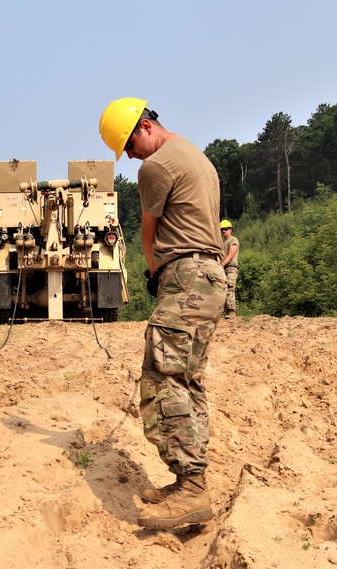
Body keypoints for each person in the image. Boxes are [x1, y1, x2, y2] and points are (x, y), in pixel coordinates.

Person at [99, 98, 228, 528]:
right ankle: (189, 479)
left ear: (144, 128)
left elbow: (148, 232)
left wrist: (155, 274)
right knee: (189, 381)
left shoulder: (156, 167)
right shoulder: (199, 157)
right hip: (211, 277)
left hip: (185, 276)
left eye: (129, 147)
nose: (131, 157)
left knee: (160, 380)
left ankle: (192, 488)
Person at [220, 220, 239, 317]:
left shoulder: (233, 240)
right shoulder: (224, 242)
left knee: (230, 288)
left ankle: (232, 311)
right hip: (224, 269)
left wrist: (221, 265)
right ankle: (227, 311)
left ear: (230, 229)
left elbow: (230, 255)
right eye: (222, 229)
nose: (224, 231)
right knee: (223, 289)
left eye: (226, 229)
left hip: (231, 268)